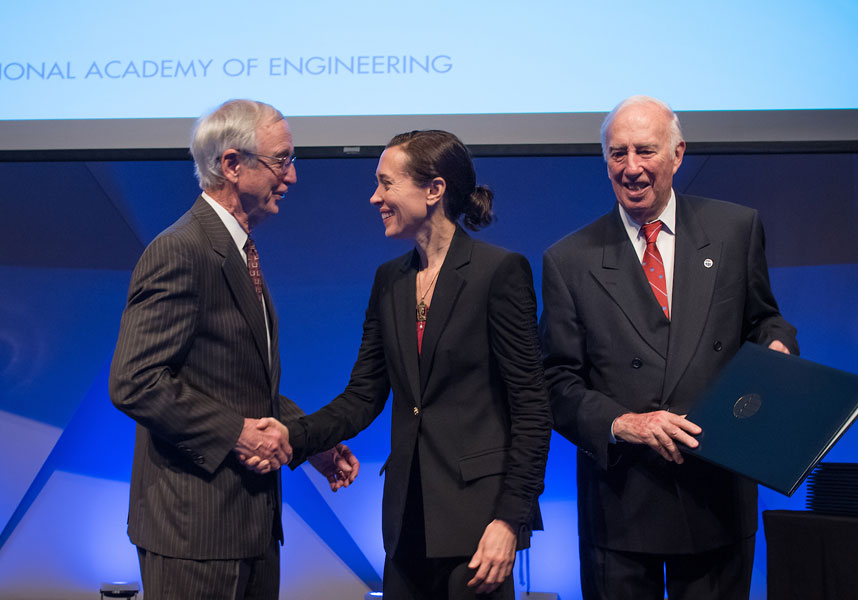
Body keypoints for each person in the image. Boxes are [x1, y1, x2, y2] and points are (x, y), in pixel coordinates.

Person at [539, 95, 799, 600]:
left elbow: (766, 318)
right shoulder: (568, 260)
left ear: (678, 155)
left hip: (716, 493)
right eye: (618, 154)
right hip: (621, 502)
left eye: (645, 151)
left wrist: (777, 347)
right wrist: (623, 423)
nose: (631, 168)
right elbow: (555, 382)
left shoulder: (734, 231)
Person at [109, 99, 358, 600]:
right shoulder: (181, 249)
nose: (291, 177)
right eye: (281, 160)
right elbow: (135, 381)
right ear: (231, 164)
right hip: (194, 532)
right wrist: (238, 434)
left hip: (250, 528)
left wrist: (304, 441)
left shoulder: (237, 249)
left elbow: (241, 382)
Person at [289, 130, 552, 599]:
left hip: (479, 525)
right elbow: (363, 395)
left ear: (434, 190)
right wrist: (293, 439)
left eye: (386, 184)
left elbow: (531, 406)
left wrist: (510, 520)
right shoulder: (389, 279)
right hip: (407, 522)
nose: (375, 197)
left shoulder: (499, 271)